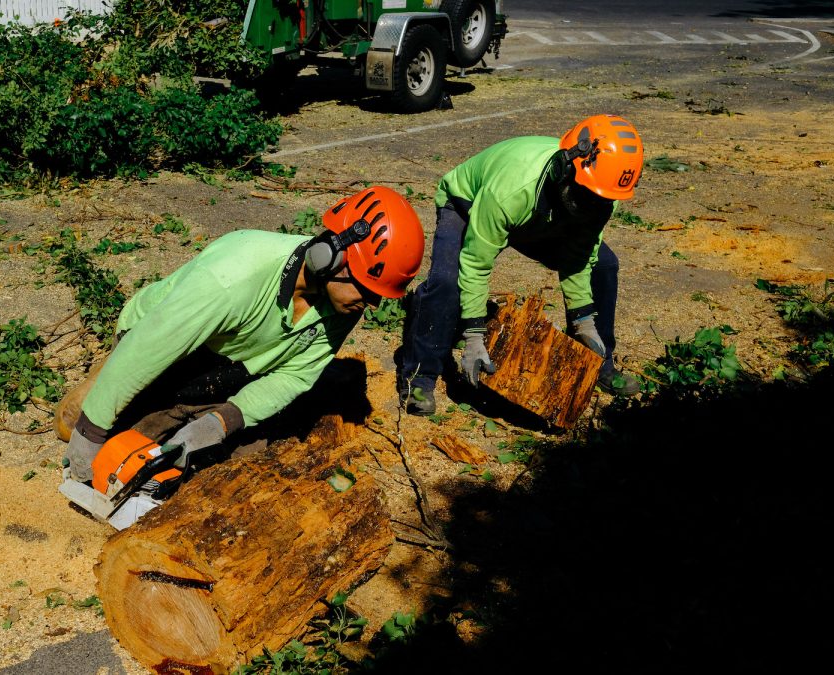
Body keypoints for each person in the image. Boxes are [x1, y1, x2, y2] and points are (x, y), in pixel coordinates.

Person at [57, 186, 425, 480]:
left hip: (230, 367)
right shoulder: (234, 276)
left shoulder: (345, 303)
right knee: (83, 430)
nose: (371, 305)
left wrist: (221, 422)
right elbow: (149, 349)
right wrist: (91, 433)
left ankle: (185, 411)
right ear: (332, 257)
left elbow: (294, 375)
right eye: (368, 290)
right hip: (161, 343)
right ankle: (101, 391)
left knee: (213, 464)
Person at [397, 114, 644, 416]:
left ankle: (598, 364)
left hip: (539, 216)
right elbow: (475, 263)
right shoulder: (509, 191)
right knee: (448, 281)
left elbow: (579, 258)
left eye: (599, 202)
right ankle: (420, 376)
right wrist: (474, 335)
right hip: (468, 201)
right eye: (587, 197)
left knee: (604, 266)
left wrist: (583, 321)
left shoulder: (602, 192)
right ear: (565, 169)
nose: (593, 207)